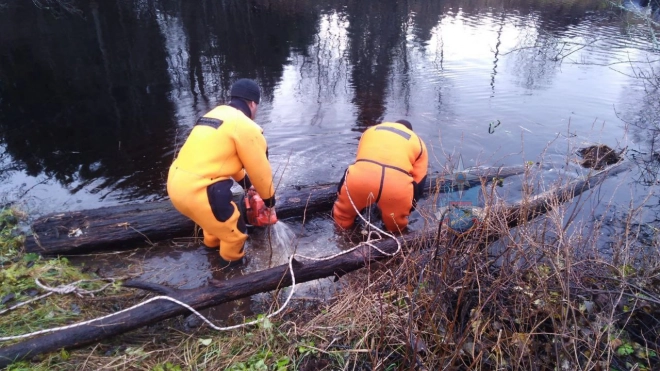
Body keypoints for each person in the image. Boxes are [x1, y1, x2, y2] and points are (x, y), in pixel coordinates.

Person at [167, 79, 276, 267]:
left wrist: (247, 186)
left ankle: (211, 255)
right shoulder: (245, 126)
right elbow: (260, 170)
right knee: (236, 233)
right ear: (252, 103)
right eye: (256, 106)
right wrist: (269, 202)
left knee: (214, 225)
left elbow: (221, 161)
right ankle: (231, 277)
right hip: (201, 192)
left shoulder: (214, 115)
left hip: (176, 185)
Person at [332, 120, 428, 232]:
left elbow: (360, 159)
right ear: (410, 131)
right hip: (396, 188)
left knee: (343, 217)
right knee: (396, 230)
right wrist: (409, 207)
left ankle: (340, 240)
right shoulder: (419, 143)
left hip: (359, 180)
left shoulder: (370, 131)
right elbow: (419, 182)